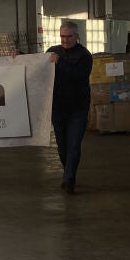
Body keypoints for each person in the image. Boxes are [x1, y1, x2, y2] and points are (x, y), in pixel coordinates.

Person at [46, 21, 92, 194]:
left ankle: (69, 180)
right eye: (62, 36)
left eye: (69, 36)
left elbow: (79, 75)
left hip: (78, 109)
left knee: (73, 145)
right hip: (57, 108)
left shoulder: (85, 55)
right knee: (62, 147)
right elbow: (36, 64)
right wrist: (17, 56)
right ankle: (69, 172)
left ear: (77, 36)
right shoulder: (53, 51)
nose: (65, 40)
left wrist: (60, 63)